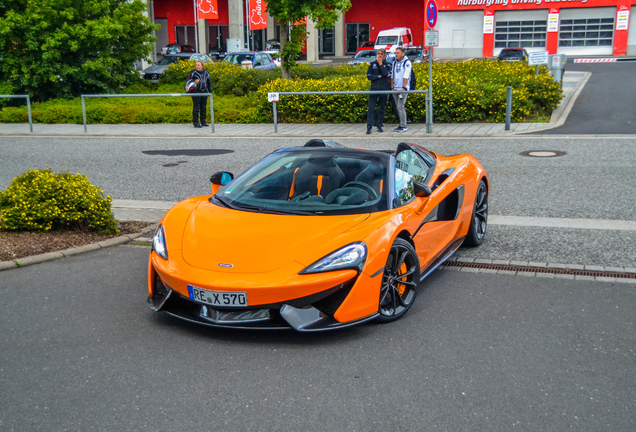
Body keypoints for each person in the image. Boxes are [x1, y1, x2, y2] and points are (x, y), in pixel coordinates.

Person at [366, 48, 390, 134]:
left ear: (384, 55)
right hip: (374, 89)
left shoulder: (387, 64)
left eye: (381, 54)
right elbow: (369, 76)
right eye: (378, 54)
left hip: (383, 89)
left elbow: (386, 74)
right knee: (371, 108)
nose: (379, 55)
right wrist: (378, 77)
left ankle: (379, 126)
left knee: (381, 108)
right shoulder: (372, 64)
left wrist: (380, 64)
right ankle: (369, 127)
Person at [390, 47, 411, 132]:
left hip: (402, 89)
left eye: (398, 53)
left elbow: (406, 75)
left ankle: (403, 125)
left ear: (403, 54)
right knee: (397, 107)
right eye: (395, 53)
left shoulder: (407, 62)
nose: (396, 54)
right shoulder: (394, 63)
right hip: (395, 88)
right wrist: (392, 87)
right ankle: (401, 124)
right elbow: (392, 75)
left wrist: (403, 87)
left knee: (400, 106)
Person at [187, 60, 212, 128]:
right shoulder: (193, 73)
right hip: (196, 92)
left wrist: (210, 92)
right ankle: (196, 122)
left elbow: (209, 83)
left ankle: (203, 121)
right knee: (196, 107)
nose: (197, 66)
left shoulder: (206, 73)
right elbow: (188, 82)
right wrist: (194, 82)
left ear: (202, 66)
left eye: (198, 65)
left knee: (203, 107)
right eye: (196, 65)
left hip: (204, 91)